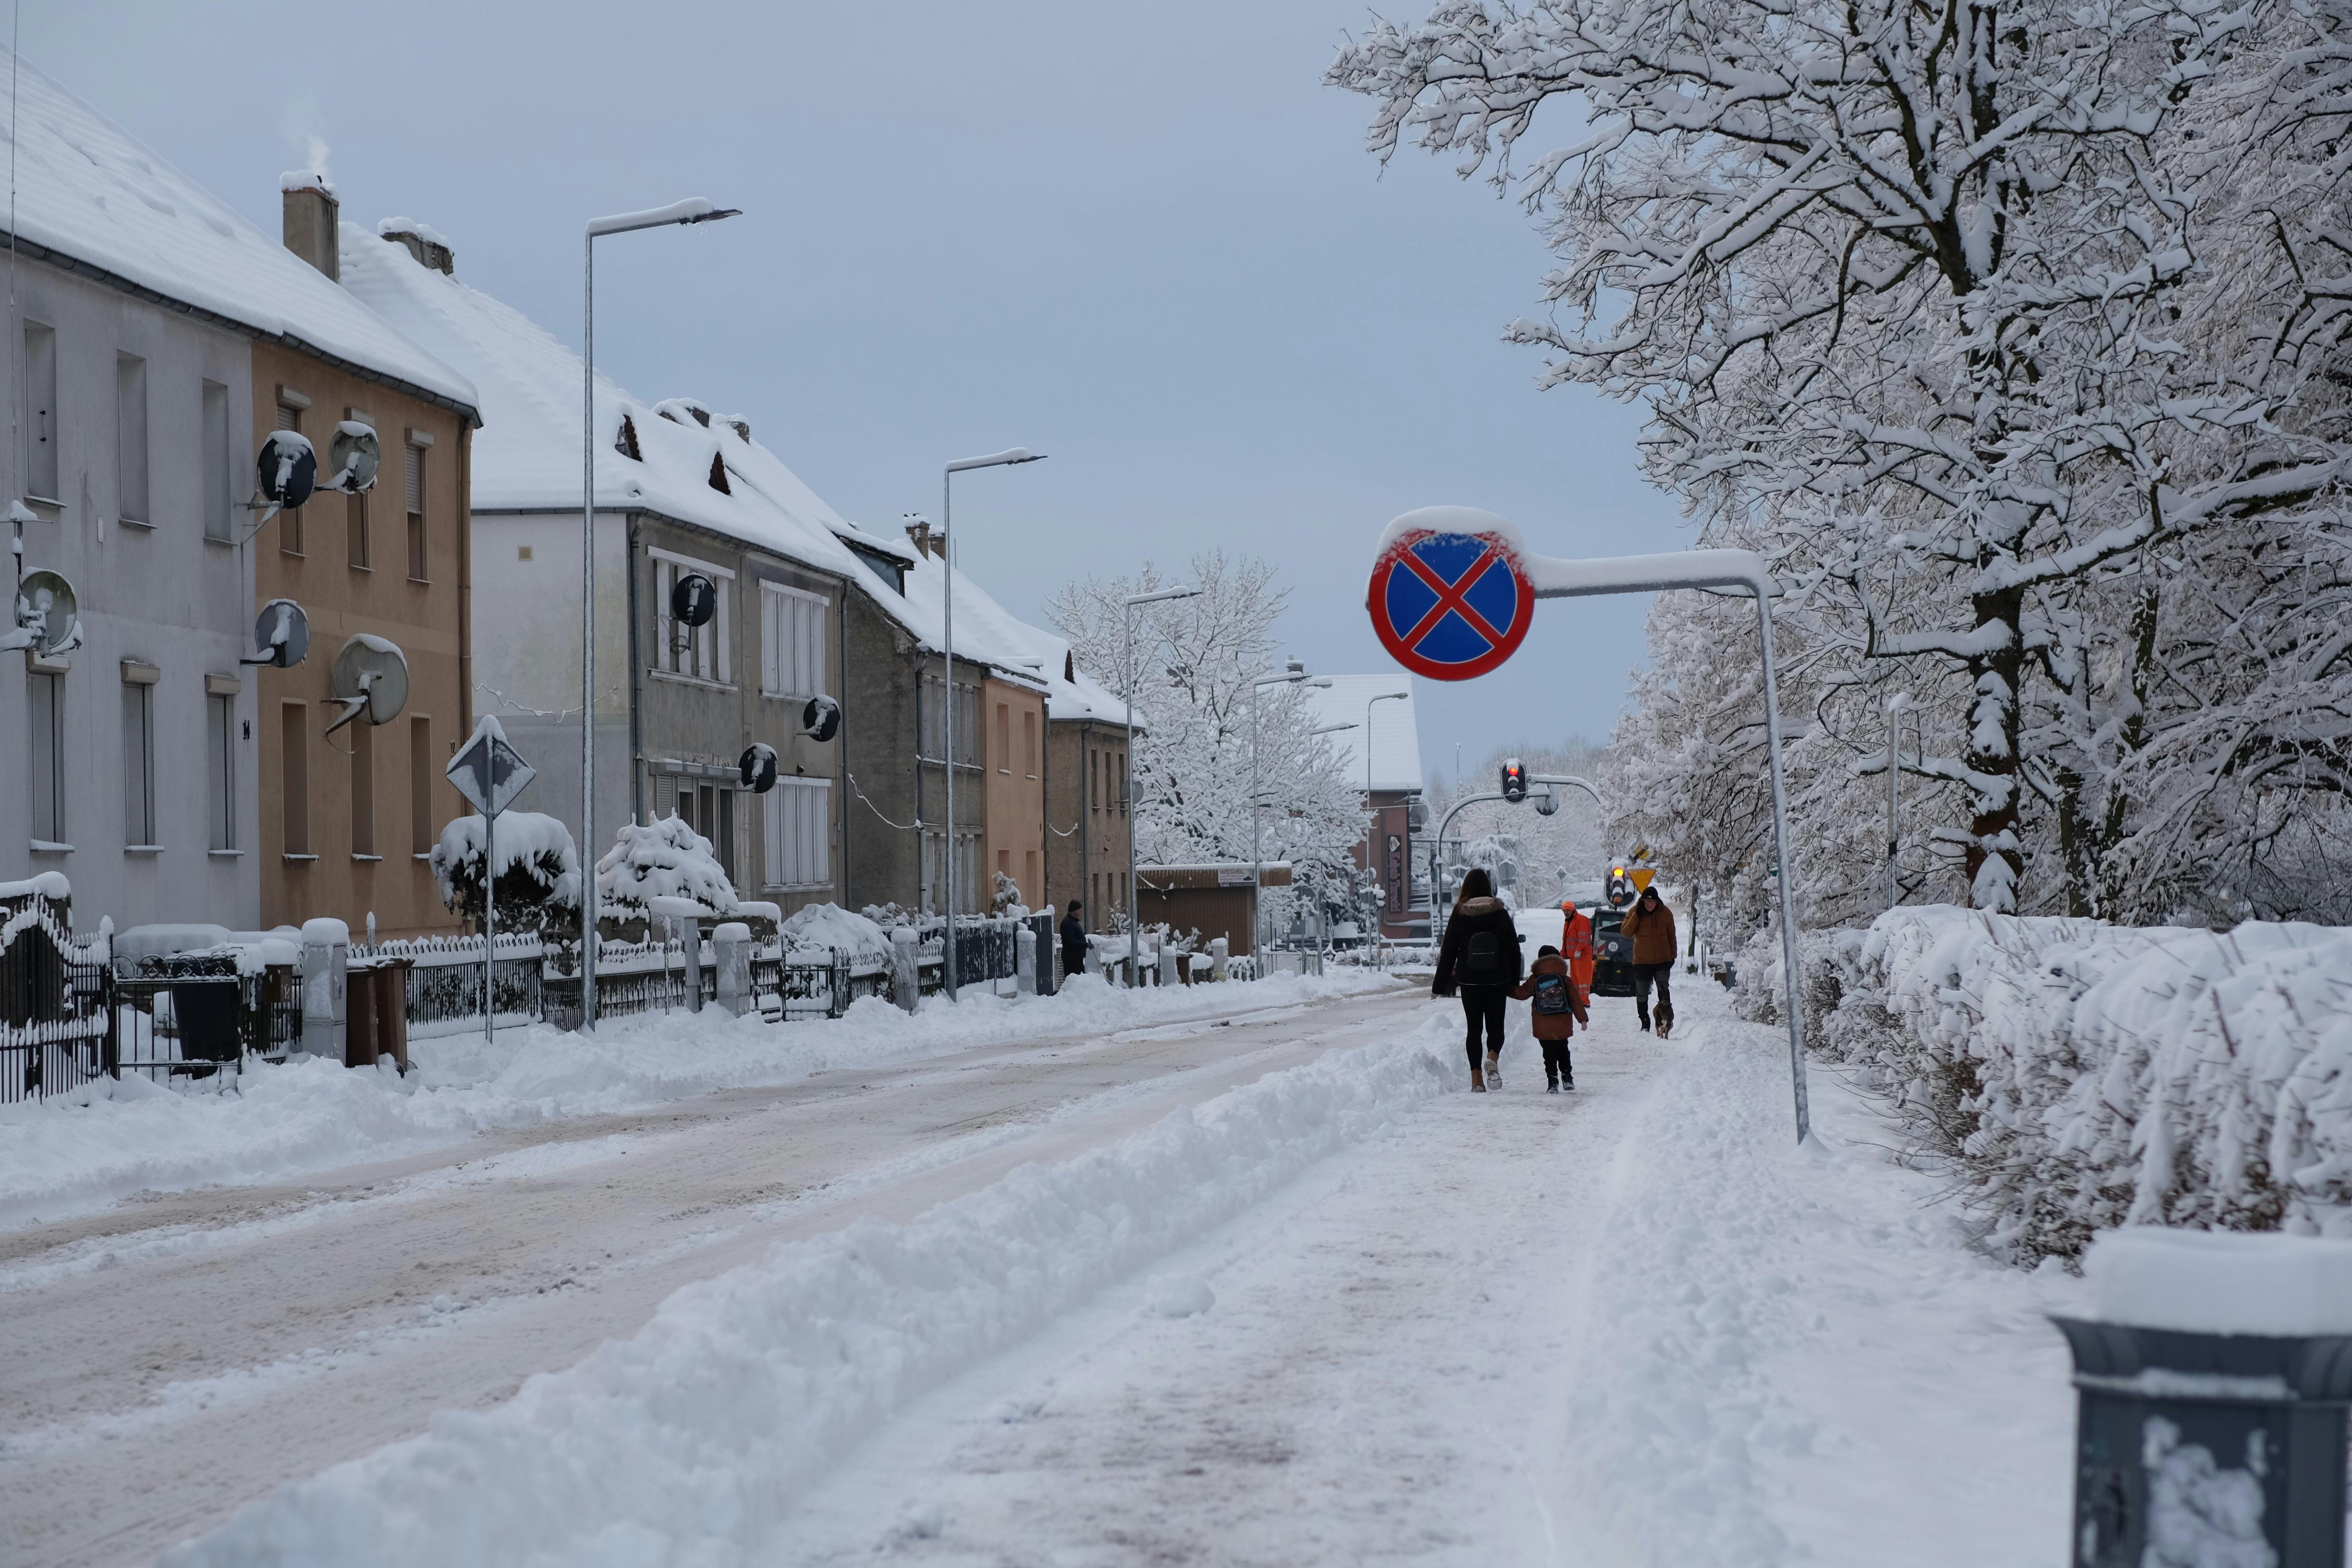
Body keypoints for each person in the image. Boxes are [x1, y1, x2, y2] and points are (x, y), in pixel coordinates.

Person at [1433, 867, 1522, 1091]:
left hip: (1470, 981)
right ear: (1488, 886)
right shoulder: (1499, 911)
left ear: (1467, 887)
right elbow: (1513, 947)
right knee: (1496, 1027)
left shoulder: (1459, 912)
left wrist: (1439, 985)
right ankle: (1492, 1057)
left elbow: (1449, 951)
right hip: (1496, 980)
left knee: (1474, 1029)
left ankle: (1476, 1082)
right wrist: (1514, 982)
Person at [1510, 943, 1589, 1091]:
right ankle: (1567, 1078)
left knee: (1549, 1054)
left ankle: (1553, 1082)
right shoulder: (1565, 979)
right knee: (1563, 1050)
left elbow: (1522, 994)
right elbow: (1575, 1000)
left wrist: (1504, 989)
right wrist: (1582, 1019)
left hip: (1543, 1024)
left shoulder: (1536, 978)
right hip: (1562, 1022)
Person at [1623, 883, 1678, 1038]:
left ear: (1657, 901)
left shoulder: (1666, 913)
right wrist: (1637, 915)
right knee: (1642, 993)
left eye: (1652, 902)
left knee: (1663, 990)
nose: (1650, 904)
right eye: (1647, 901)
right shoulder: (1635, 912)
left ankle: (1667, 1020)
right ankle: (1645, 1021)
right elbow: (1626, 932)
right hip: (1642, 961)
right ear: (1642, 901)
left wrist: (1673, 956)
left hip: (1663, 959)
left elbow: (1671, 935)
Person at [1558, 899, 1595, 998]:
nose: (1566, 913)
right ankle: (1578, 1000)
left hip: (1582, 955)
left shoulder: (1581, 920)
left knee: (1583, 979)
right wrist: (1563, 953)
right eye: (1564, 911)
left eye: (1568, 910)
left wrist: (1579, 950)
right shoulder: (1568, 922)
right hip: (1574, 956)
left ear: (1573, 910)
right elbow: (1566, 940)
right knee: (1575, 979)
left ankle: (1584, 1000)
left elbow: (1584, 937)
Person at [1059, 899, 1088, 982]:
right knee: (1074, 982)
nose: (1081, 911)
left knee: (1080, 982)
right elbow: (1070, 942)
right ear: (1074, 910)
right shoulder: (1068, 923)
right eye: (1079, 909)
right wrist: (1085, 945)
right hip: (1071, 959)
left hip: (1077, 958)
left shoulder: (1073, 922)